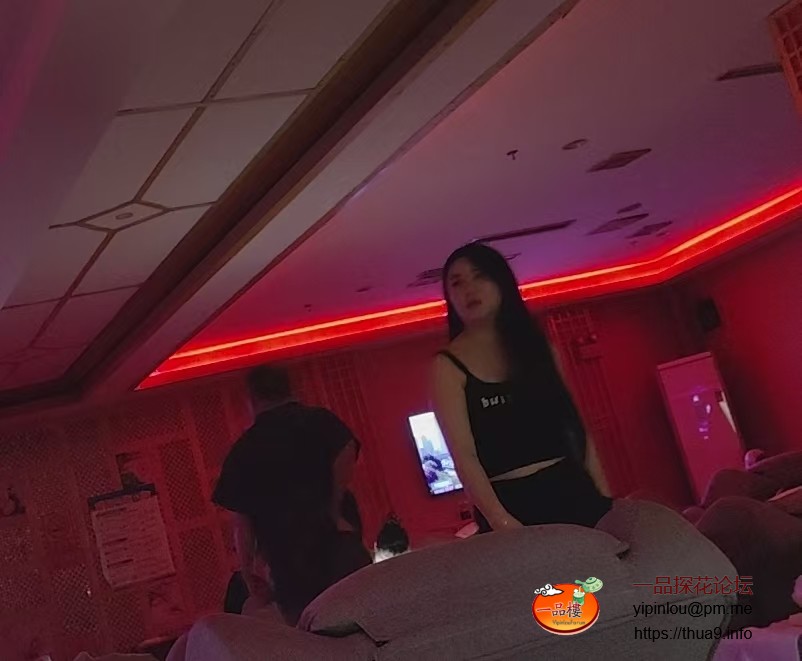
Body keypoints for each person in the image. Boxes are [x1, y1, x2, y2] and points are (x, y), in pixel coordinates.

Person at [431, 242, 612, 533]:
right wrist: (499, 520)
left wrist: (605, 500)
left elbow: (575, 427)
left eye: (479, 276)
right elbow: (463, 455)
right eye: (457, 283)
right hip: (509, 503)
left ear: (501, 281)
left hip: (572, 489)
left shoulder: (539, 348)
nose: (469, 289)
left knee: (596, 565)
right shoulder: (447, 365)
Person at [212, 365, 370, 624]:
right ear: (290, 388)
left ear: (252, 398)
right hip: (338, 544)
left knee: (311, 635)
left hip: (289, 563)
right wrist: (335, 502)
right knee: (367, 619)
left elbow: (243, 524)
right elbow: (347, 447)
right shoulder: (319, 420)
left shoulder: (244, 449)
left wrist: (248, 570)